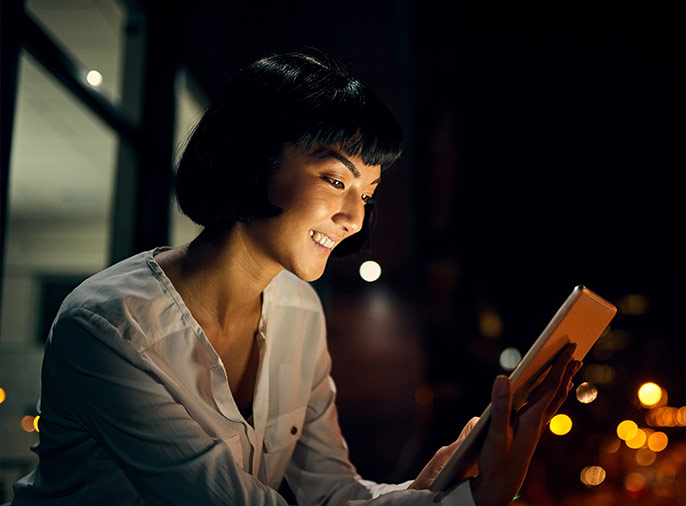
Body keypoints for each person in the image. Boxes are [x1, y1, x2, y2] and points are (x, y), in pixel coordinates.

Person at [10, 52, 580, 506]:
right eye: (336, 180)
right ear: (255, 160)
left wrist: (450, 491)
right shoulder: (111, 325)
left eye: (368, 193)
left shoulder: (300, 310)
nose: (355, 218)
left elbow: (331, 494)